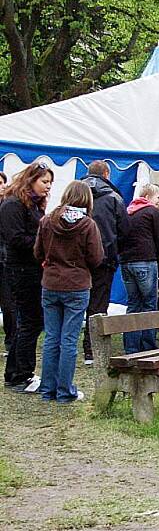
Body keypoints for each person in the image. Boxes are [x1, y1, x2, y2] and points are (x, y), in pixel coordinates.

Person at [34, 181, 104, 403]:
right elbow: (96, 258)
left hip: (51, 283)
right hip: (76, 284)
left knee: (51, 338)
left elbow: (37, 252)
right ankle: (65, 391)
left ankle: (47, 390)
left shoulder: (47, 221)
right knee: (69, 340)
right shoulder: (88, 225)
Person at [0, 161, 54, 392]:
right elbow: (15, 239)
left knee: (31, 322)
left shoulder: (34, 205)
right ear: (31, 180)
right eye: (44, 182)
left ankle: (17, 372)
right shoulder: (12, 205)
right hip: (21, 269)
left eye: (50, 182)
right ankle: (20, 374)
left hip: (32, 269)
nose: (48, 187)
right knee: (30, 322)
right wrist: (42, 244)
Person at [80, 160, 130, 364]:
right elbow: (125, 230)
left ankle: (65, 346)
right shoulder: (114, 198)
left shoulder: (75, 195)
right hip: (104, 257)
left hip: (76, 259)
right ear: (107, 174)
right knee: (98, 305)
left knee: (75, 304)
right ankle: (92, 349)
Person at [119, 183, 159, 354]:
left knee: (133, 304)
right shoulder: (152, 212)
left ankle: (131, 347)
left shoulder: (128, 211)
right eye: (158, 197)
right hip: (145, 260)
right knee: (149, 304)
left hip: (126, 261)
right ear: (147, 197)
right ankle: (148, 346)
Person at [0, 171, 17, 357]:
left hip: (5, 261)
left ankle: (11, 341)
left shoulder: (8, 206)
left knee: (9, 304)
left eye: (1, 182)